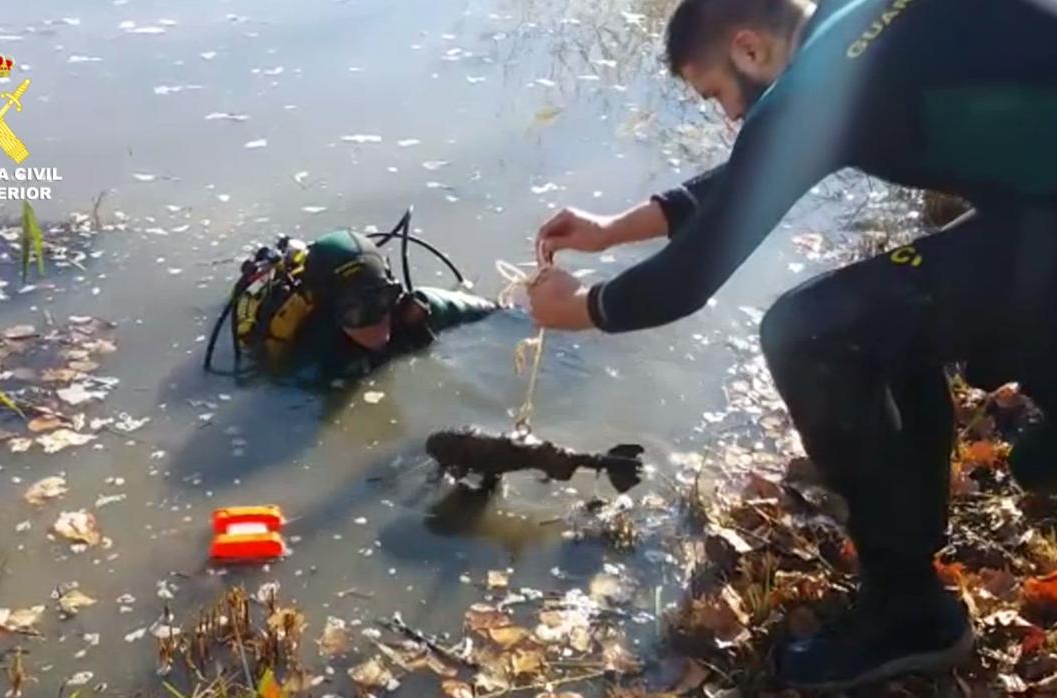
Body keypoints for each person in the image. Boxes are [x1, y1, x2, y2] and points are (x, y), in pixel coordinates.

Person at [526, 0, 1057, 689]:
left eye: (716, 93)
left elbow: (689, 282)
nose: (728, 117)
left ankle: (911, 613)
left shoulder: (816, 86)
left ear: (748, 49)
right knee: (989, 417)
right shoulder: (850, 24)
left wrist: (584, 309)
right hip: (1036, 215)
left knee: (813, 333)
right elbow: (752, 175)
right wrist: (611, 231)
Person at [275, 229, 496, 382]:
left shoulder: (416, 310)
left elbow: (499, 312)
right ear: (328, 311)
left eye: (383, 299)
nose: (378, 323)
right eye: (357, 312)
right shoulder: (312, 356)